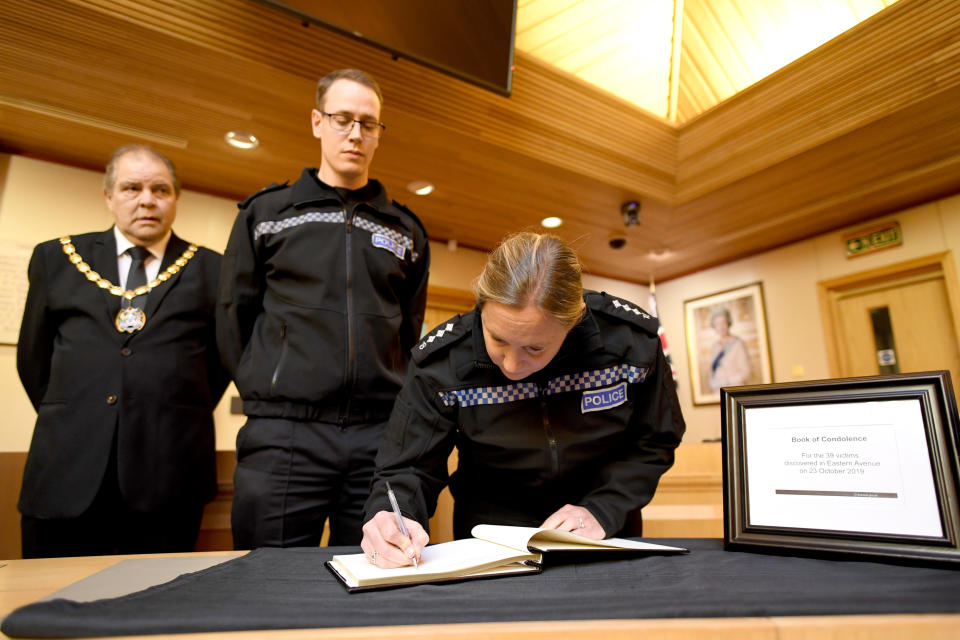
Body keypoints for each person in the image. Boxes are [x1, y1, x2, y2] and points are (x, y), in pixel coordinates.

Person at [361, 232, 685, 568]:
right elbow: (408, 466)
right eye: (498, 339)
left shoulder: (632, 345)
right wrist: (394, 516)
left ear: (574, 321)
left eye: (535, 348)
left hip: (603, 526)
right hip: (489, 535)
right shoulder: (441, 364)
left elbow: (656, 438)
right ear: (481, 306)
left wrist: (604, 507)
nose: (513, 366)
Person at [218, 68, 430, 549]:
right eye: (342, 119)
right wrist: (263, 390)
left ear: (379, 133)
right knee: (266, 583)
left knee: (381, 576)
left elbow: (410, 331)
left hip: (379, 438)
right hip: (284, 434)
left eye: (368, 123)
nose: (355, 133)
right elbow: (234, 317)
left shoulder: (407, 231)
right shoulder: (266, 215)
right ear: (317, 122)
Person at [16, 145, 228, 558]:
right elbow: (33, 360)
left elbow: (218, 367)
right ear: (109, 196)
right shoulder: (57, 258)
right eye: (132, 188)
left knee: (154, 605)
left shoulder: (212, 269)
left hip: (168, 472)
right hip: (67, 467)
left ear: (175, 199)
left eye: (160, 190)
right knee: (51, 603)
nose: (147, 200)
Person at [707, 306, 751, 392]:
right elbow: (712, 371)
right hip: (718, 392)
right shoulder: (715, 346)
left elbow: (746, 372)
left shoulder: (738, 344)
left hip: (735, 391)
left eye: (723, 323)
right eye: (717, 324)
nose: (721, 327)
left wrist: (727, 382)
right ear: (714, 327)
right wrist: (714, 383)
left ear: (728, 323)